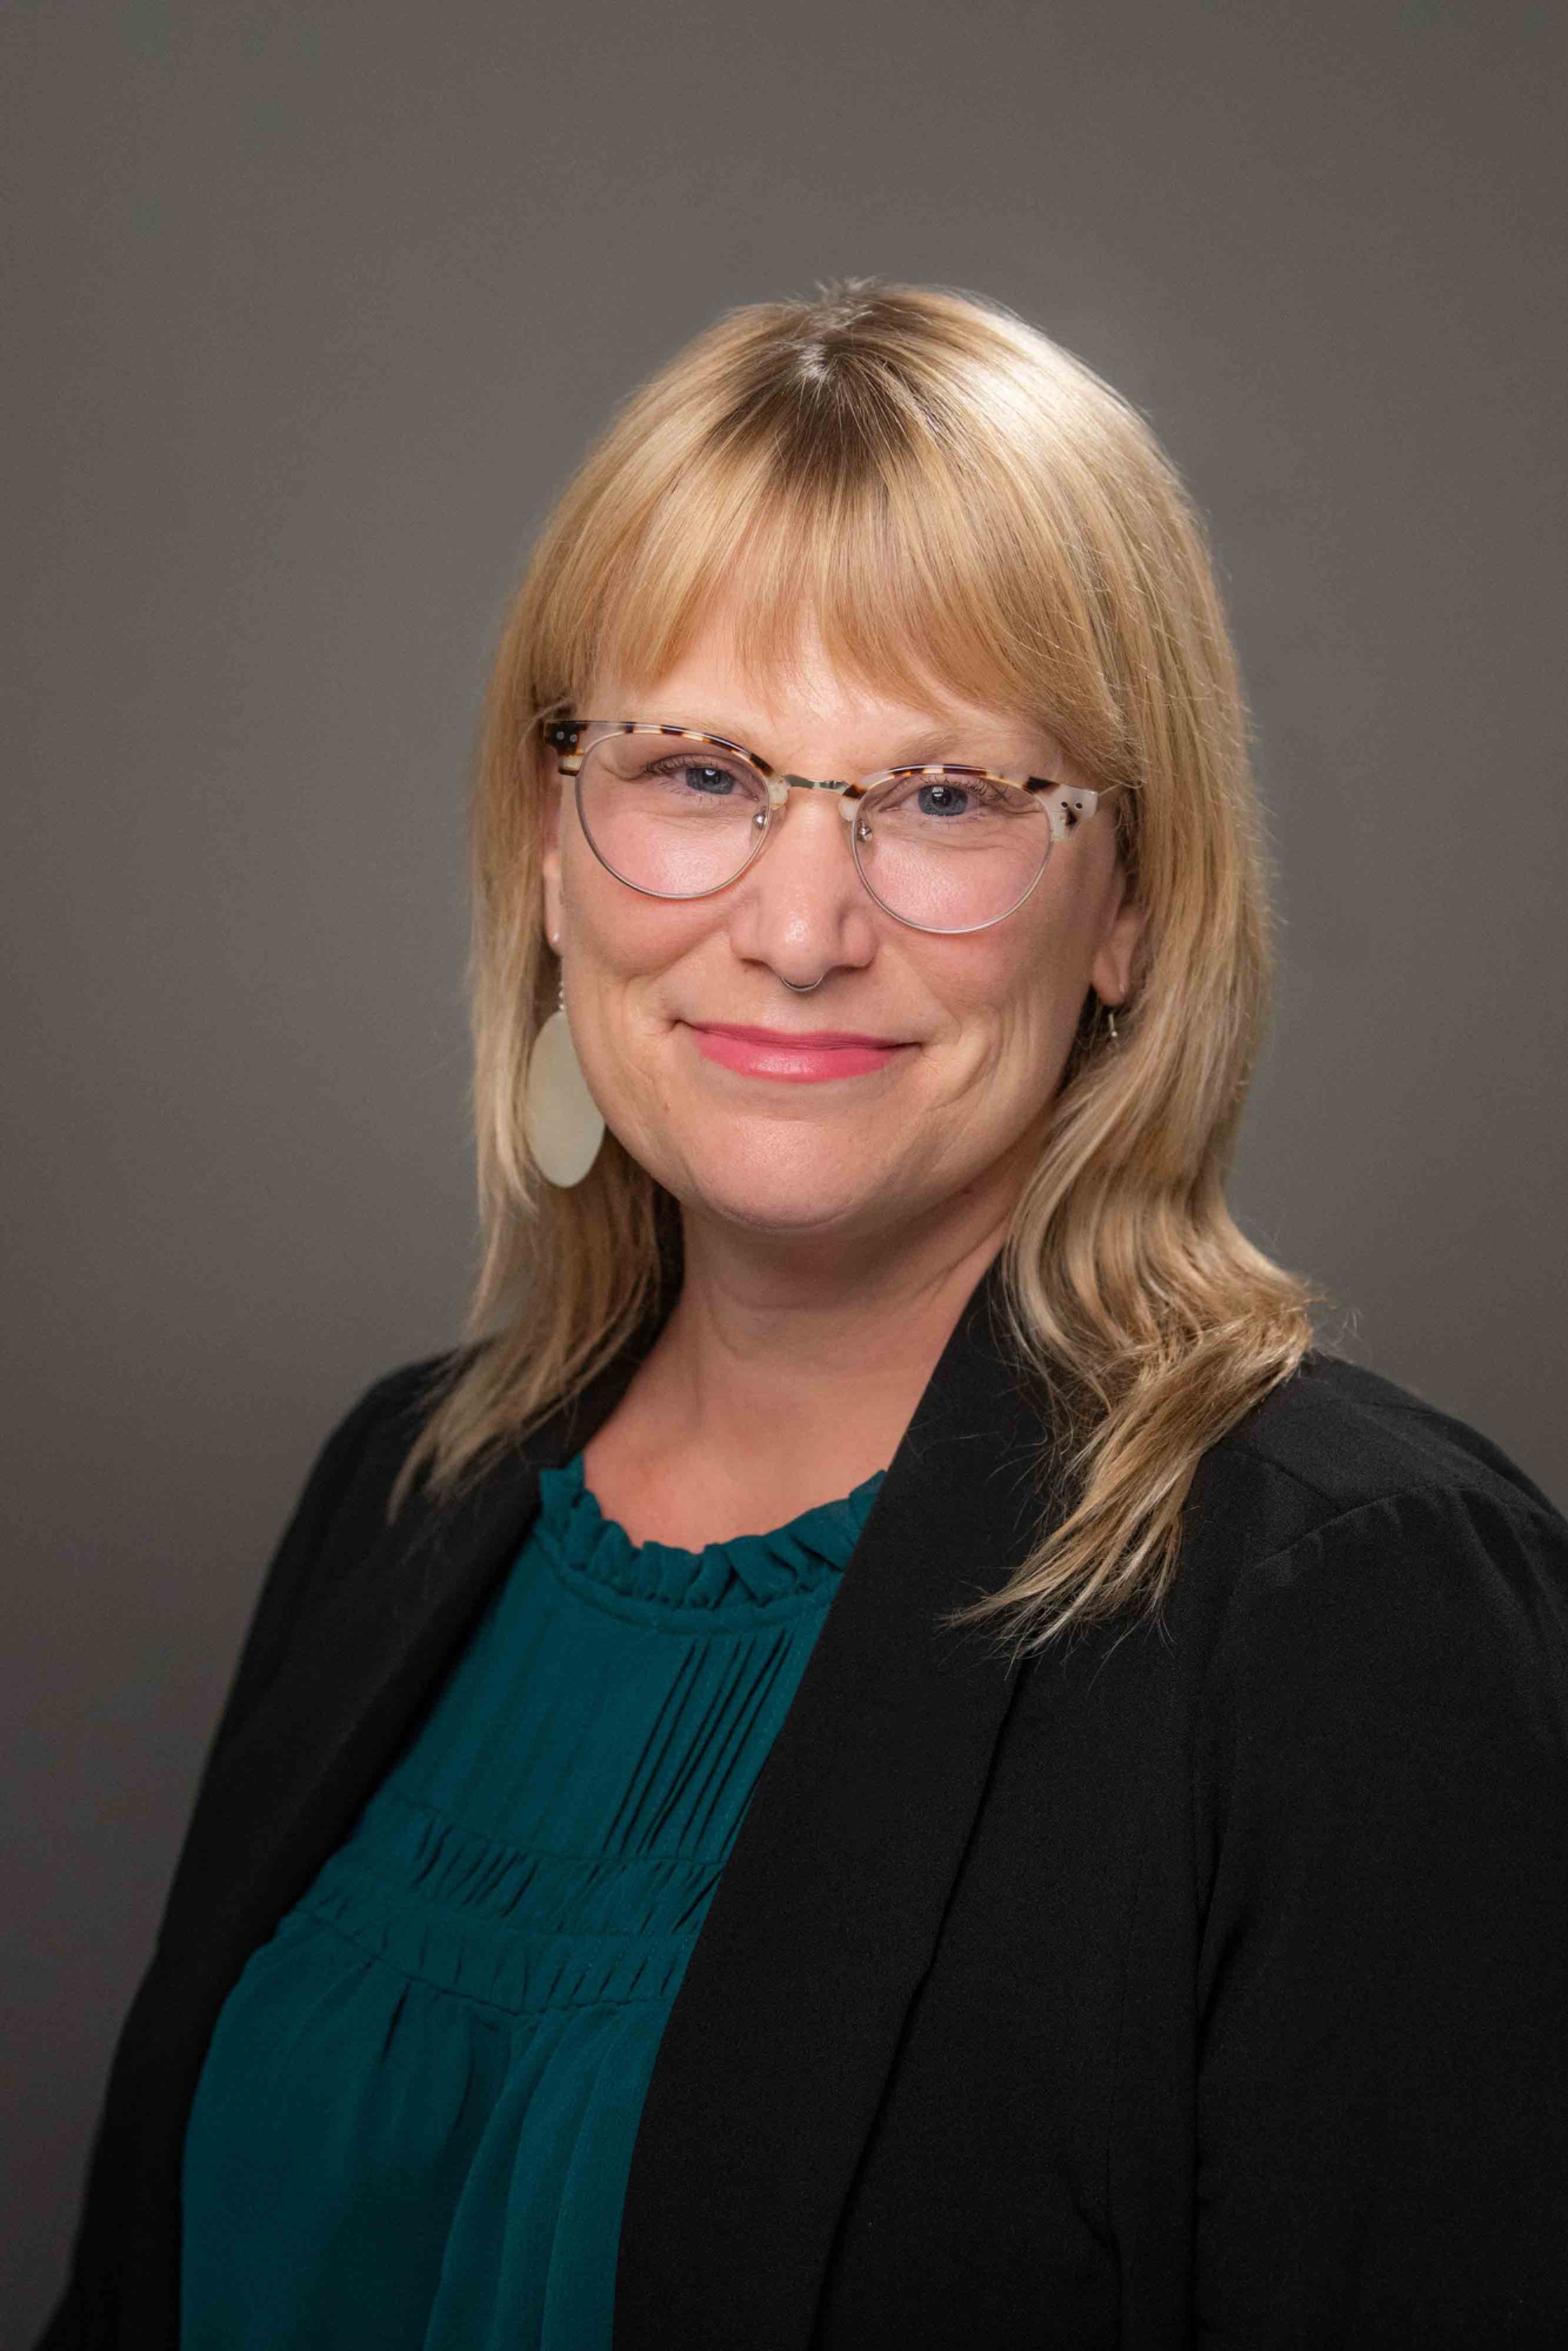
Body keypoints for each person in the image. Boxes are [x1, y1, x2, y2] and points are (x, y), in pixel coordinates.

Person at [41, 281, 1568, 2351]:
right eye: (696, 771)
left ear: (1130, 905)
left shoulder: (1356, 1604)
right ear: (554, 851)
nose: (797, 924)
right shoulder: (412, 1489)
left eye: (946, 796)